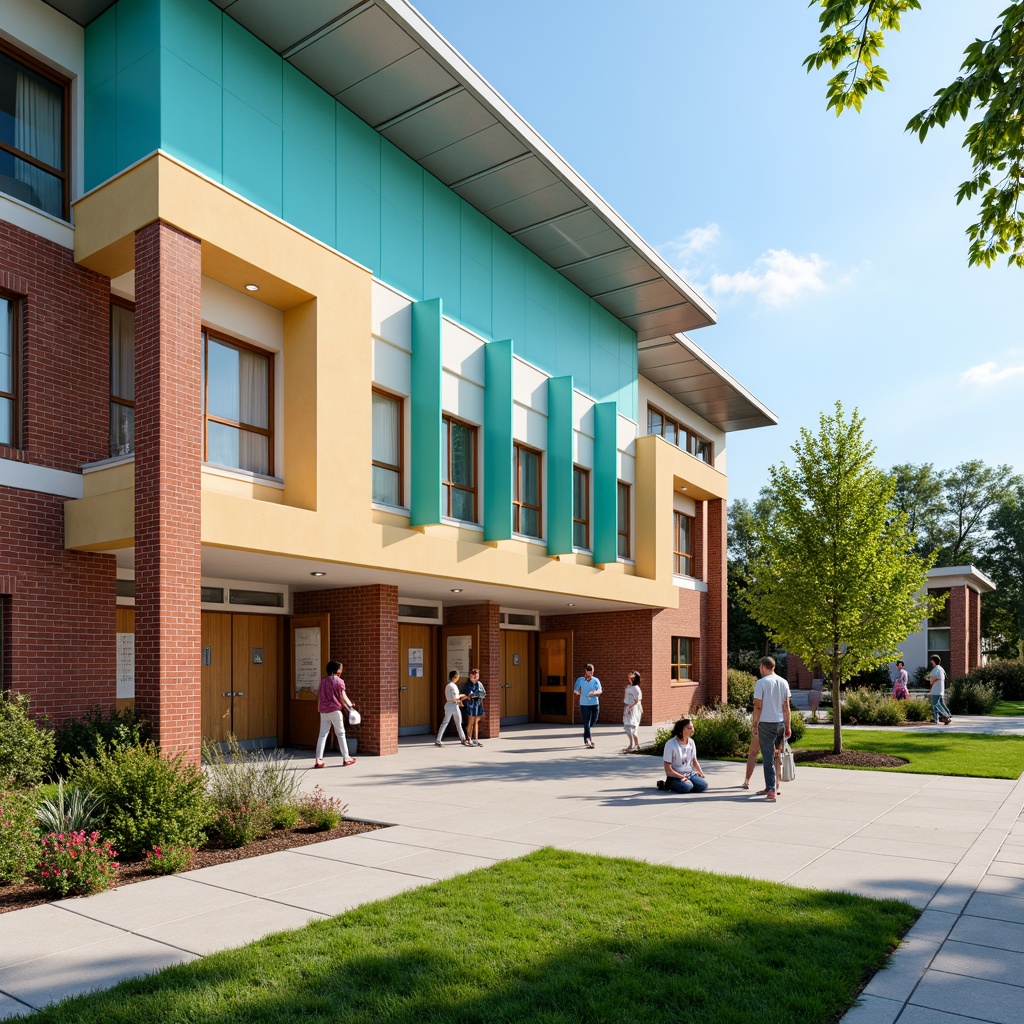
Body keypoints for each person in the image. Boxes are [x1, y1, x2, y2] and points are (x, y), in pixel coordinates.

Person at [751, 655, 790, 801]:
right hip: (780, 723)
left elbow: (758, 705)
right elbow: (786, 707)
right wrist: (788, 725)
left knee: (768, 757)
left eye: (760, 666)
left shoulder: (761, 683)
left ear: (763, 666)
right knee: (776, 756)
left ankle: (771, 789)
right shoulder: (783, 682)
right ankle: (771, 785)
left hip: (766, 723)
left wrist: (755, 724)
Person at [314, 660, 357, 768]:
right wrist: (350, 706)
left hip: (323, 711)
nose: (341, 671)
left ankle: (318, 760)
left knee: (322, 735)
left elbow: (319, 696)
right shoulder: (339, 681)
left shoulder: (322, 681)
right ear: (336, 670)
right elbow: (343, 696)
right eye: (340, 669)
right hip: (335, 710)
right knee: (341, 734)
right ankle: (346, 758)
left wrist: (319, 708)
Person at [657, 718, 708, 794]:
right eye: (689, 728)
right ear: (681, 730)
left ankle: (686, 784)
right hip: (675, 776)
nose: (692, 730)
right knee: (687, 787)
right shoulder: (670, 744)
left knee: (703, 785)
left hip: (689, 774)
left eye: (693, 727)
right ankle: (669, 784)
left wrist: (700, 772)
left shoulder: (691, 742)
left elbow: (694, 760)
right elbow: (668, 769)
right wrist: (681, 777)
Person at [741, 728, 785, 794]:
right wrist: (788, 726)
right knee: (777, 755)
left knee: (753, 753)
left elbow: (756, 717)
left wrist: (754, 725)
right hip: (779, 725)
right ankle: (776, 785)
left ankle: (747, 782)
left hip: (763, 726)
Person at [436, 669, 472, 747]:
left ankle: (463, 738)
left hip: (453, 705)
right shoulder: (452, 686)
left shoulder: (449, 685)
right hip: (452, 705)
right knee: (448, 722)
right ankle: (438, 740)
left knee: (457, 722)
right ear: (455, 677)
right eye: (458, 677)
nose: (458, 678)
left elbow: (456, 698)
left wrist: (462, 697)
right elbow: (455, 697)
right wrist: (463, 696)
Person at [573, 663, 602, 748]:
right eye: (589, 672)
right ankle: (588, 740)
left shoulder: (595, 680)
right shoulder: (580, 680)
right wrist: (578, 692)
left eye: (592, 672)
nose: (591, 674)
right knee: (586, 723)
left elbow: (600, 690)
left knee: (593, 720)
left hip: (594, 704)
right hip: (584, 704)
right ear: (586, 671)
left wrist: (594, 692)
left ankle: (587, 733)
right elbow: (575, 690)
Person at [463, 668, 487, 747]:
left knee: (476, 722)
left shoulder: (479, 683)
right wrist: (474, 694)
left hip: (478, 703)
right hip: (471, 704)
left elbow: (484, 692)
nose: (477, 677)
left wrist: (481, 694)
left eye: (478, 675)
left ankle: (476, 739)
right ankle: (469, 738)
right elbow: (469, 695)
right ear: (471, 676)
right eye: (475, 675)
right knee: (471, 722)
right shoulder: (468, 684)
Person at [929, 655, 953, 725]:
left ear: (934, 661)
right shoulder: (941, 669)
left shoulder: (935, 670)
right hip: (941, 690)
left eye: (931, 660)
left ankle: (946, 716)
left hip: (935, 690)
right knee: (941, 704)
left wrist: (929, 680)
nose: (931, 662)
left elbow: (932, 681)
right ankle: (938, 718)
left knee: (935, 705)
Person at [622, 671, 643, 752]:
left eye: (632, 674)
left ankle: (632, 744)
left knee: (631, 724)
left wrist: (631, 706)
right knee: (628, 724)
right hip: (628, 706)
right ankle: (634, 743)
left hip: (633, 707)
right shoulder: (631, 686)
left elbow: (637, 700)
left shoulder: (636, 688)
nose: (630, 675)